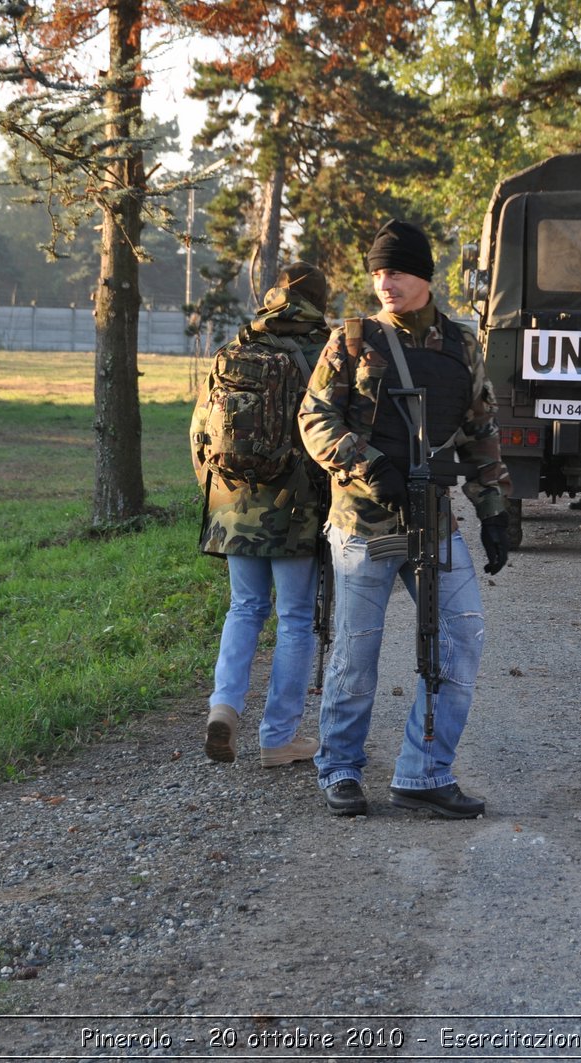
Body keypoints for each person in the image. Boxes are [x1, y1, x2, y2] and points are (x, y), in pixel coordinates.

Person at [297, 219, 513, 819]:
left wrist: (496, 509)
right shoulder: (351, 340)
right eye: (377, 272)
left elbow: (480, 433)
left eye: (395, 270)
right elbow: (314, 419)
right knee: (356, 653)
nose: (384, 282)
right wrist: (367, 464)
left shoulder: (461, 346)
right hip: (363, 523)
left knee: (462, 635)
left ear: (425, 275)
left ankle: (424, 772)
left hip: (433, 521)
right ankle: (339, 768)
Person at [192, 262, 332, 768]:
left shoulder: (236, 347)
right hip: (294, 506)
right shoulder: (324, 351)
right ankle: (278, 738)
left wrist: (215, 495)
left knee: (244, 609)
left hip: (231, 501)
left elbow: (201, 431)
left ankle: (224, 708)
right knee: (295, 620)